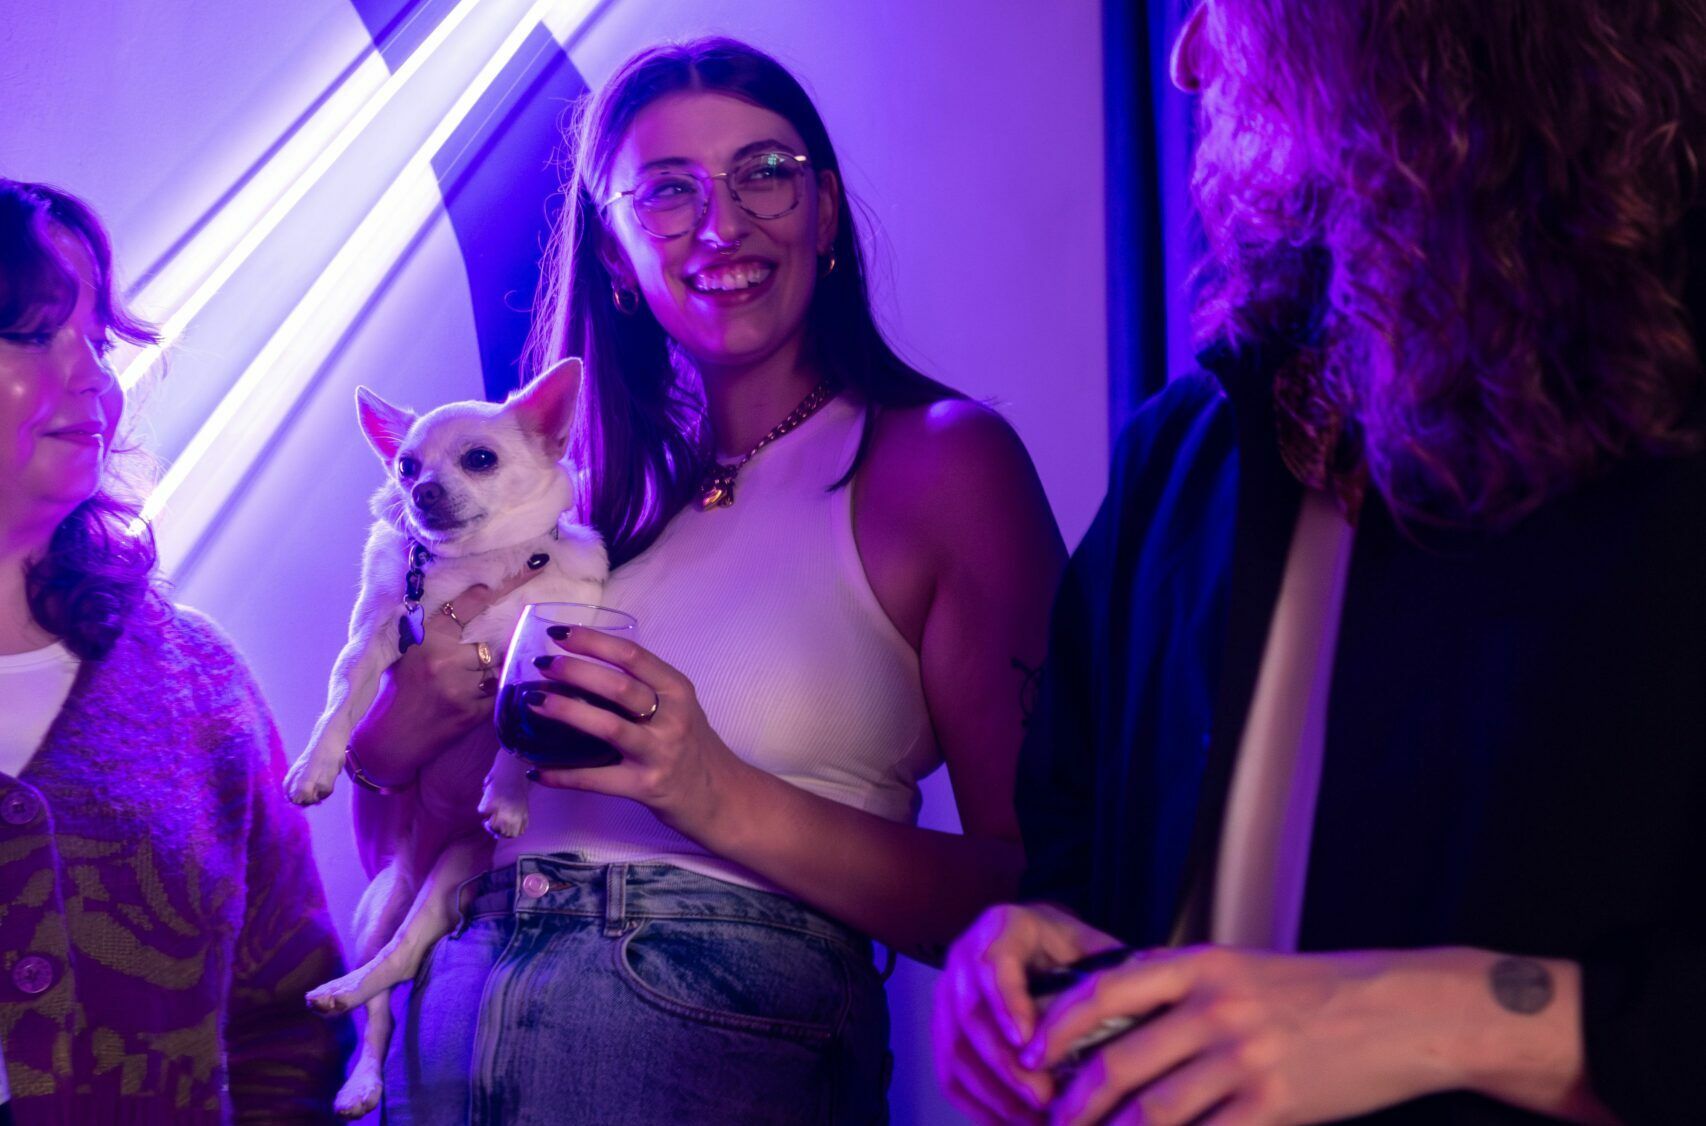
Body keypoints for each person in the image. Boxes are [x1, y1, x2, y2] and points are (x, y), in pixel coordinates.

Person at [936, 1, 1706, 1123]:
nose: (1186, 58)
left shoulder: (1670, 407)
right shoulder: (1177, 448)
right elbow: (1073, 843)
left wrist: (1453, 1015)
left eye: (1223, 6)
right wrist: (1038, 945)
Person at [343, 36, 1065, 1124]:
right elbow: (405, 849)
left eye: (763, 173)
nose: (723, 225)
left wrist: (713, 791)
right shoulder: (575, 510)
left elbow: (1049, 900)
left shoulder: (937, 461)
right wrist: (394, 733)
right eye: (668, 192)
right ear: (618, 252)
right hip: (445, 1029)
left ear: (824, 210)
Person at [0, 179, 352, 1123]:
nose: (90, 379)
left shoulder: (198, 682)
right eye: (34, 334)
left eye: (99, 342)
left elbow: (292, 1025)